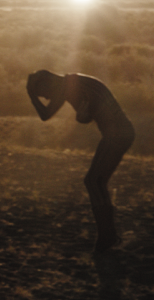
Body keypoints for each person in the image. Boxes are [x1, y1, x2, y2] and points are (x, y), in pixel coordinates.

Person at [27, 70, 134, 254]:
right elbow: (85, 114)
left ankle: (107, 236)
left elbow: (50, 115)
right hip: (118, 132)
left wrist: (30, 94)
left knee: (94, 181)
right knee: (96, 181)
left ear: (47, 83)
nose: (44, 97)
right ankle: (108, 235)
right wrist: (83, 116)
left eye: (42, 93)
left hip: (117, 133)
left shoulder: (69, 86)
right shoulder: (68, 84)